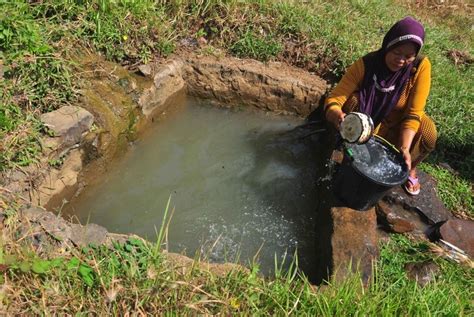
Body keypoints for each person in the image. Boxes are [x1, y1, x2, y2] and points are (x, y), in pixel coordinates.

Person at [324, 16, 437, 196]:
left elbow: (413, 114)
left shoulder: (420, 68)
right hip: (369, 124)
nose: (401, 60)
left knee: (428, 131)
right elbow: (334, 99)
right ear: (388, 45)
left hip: (399, 128)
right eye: (397, 52)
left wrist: (405, 147)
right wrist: (337, 115)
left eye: (408, 56)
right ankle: (352, 148)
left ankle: (410, 165)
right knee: (352, 101)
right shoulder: (366, 65)